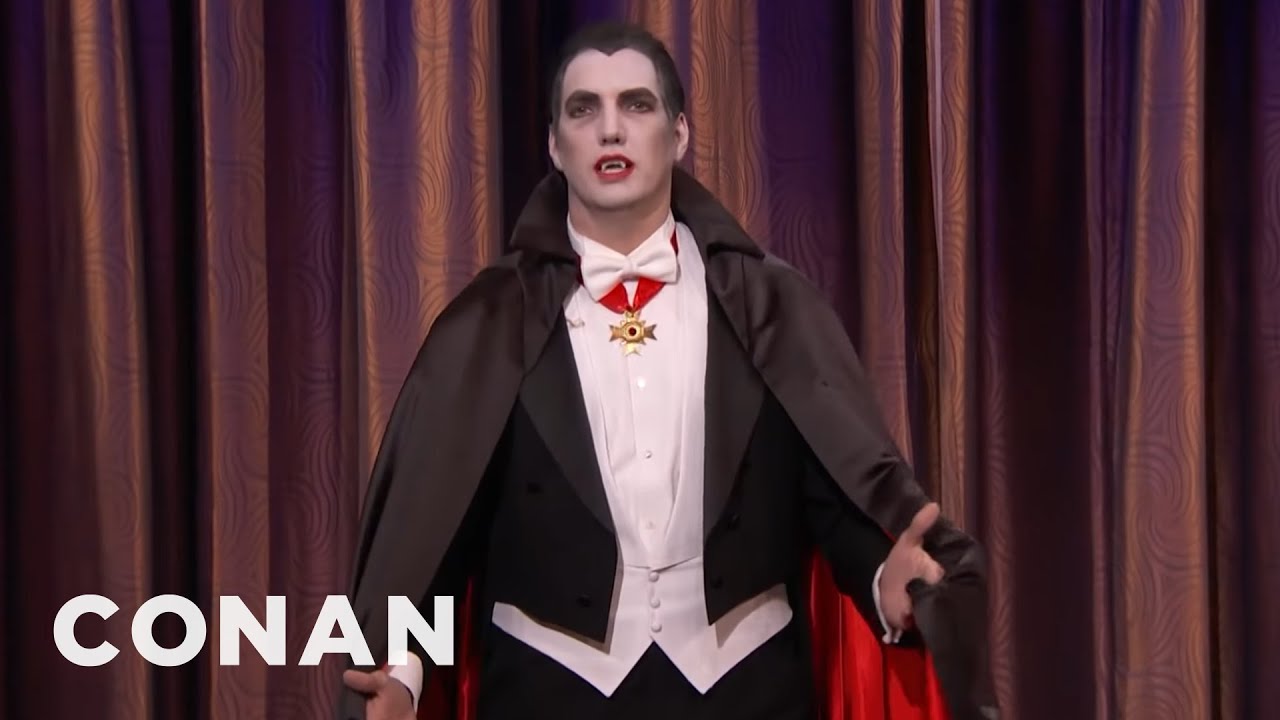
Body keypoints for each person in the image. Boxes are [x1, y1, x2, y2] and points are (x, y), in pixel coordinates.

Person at [338, 20, 996, 720]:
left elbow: (834, 498)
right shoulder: (486, 327)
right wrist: (403, 675)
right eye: (583, 110)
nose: (610, 130)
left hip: (751, 698)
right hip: (546, 699)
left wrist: (882, 580)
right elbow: (435, 536)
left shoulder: (773, 309)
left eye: (636, 104)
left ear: (678, 134)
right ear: (555, 145)